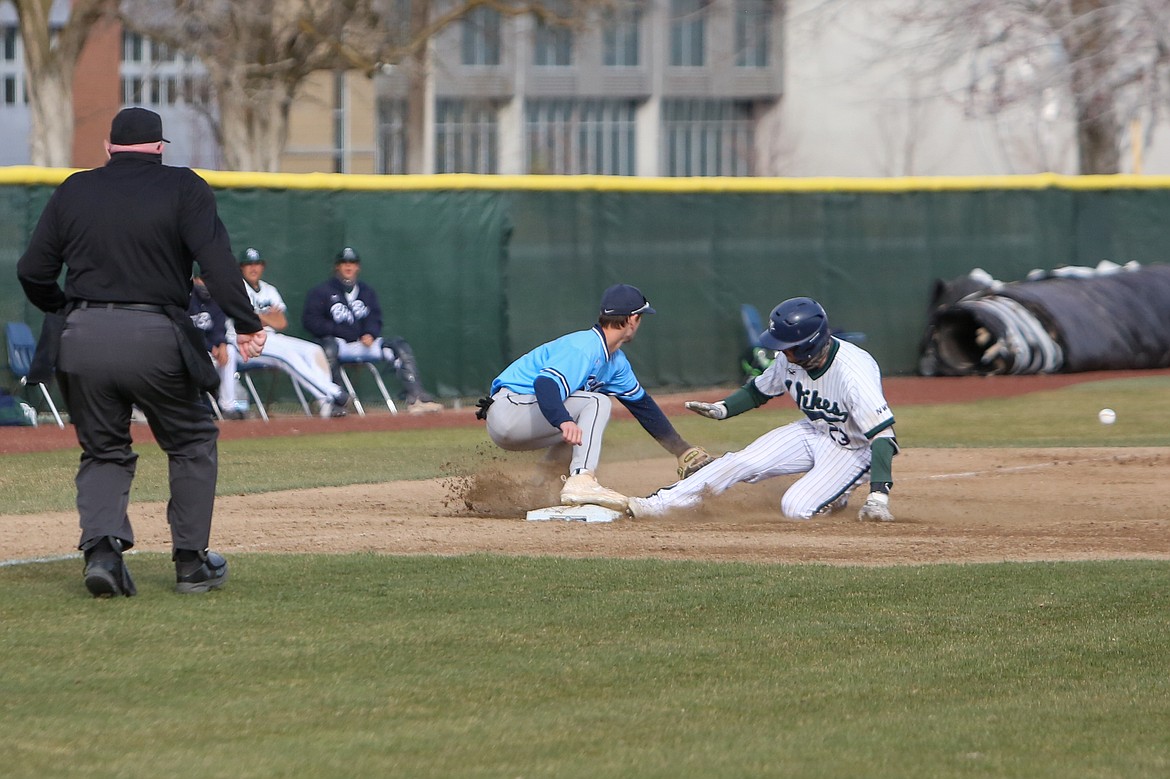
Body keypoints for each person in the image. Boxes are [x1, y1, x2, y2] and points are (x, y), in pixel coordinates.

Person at [16, 106, 267, 598]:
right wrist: (246, 322)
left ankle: (103, 554)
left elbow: (32, 269)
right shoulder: (184, 186)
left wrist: (66, 308)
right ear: (159, 148)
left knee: (104, 449)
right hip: (155, 333)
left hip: (82, 336)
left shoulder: (74, 188)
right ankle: (192, 563)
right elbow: (216, 264)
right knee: (192, 439)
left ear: (109, 149)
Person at [627, 296, 899, 522]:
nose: (781, 352)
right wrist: (723, 409)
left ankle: (837, 494)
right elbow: (760, 389)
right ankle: (660, 504)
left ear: (809, 345)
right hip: (814, 431)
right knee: (739, 461)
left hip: (853, 449)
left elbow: (883, 436)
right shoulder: (789, 359)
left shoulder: (853, 372)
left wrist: (878, 496)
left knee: (795, 508)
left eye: (788, 347)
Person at [478, 283, 713, 512]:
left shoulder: (616, 363)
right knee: (596, 402)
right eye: (640, 317)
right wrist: (563, 420)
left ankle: (539, 490)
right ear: (632, 319)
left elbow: (642, 406)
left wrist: (681, 450)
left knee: (582, 424)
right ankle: (582, 480)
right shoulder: (585, 346)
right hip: (511, 409)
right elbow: (545, 384)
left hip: (522, 418)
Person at [301, 246, 443, 414]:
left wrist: (370, 333)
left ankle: (416, 398)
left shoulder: (366, 291)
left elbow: (375, 318)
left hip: (363, 344)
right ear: (336, 267)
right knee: (327, 349)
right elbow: (311, 321)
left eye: (352, 263)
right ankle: (334, 401)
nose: (348, 266)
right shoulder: (321, 292)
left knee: (398, 345)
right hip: (338, 343)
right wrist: (340, 331)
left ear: (357, 267)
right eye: (344, 263)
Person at [231, 247, 349, 418]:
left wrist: (260, 316)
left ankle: (325, 405)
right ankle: (334, 393)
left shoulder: (269, 290)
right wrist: (266, 315)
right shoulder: (236, 289)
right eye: (248, 264)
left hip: (270, 338)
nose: (253, 268)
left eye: (257, 263)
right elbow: (248, 320)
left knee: (313, 350)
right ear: (241, 267)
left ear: (263, 266)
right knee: (287, 356)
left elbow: (281, 322)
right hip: (244, 343)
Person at [187, 276, 245, 420]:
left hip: (211, 352)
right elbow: (187, 331)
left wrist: (222, 344)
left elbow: (219, 327)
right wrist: (210, 346)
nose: (205, 284)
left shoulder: (216, 298)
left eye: (208, 279)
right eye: (202, 279)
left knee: (230, 351)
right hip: (191, 350)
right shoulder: (186, 298)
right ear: (195, 279)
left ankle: (228, 406)